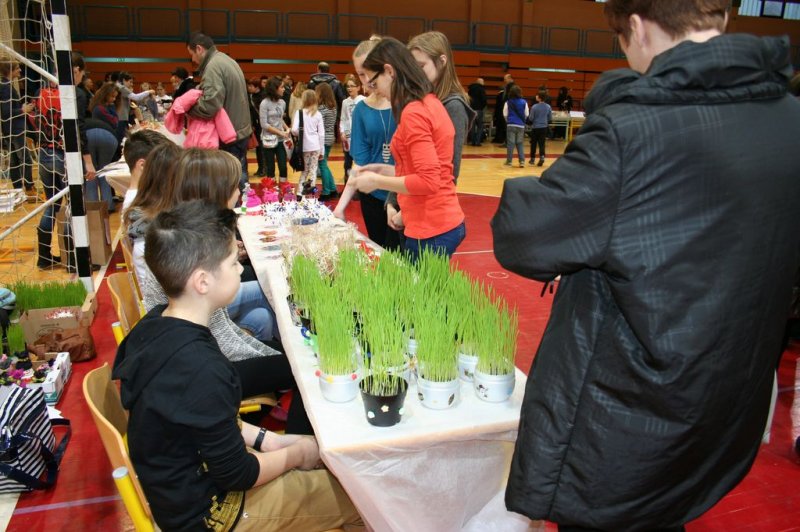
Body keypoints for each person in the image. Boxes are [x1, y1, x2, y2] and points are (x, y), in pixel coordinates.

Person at [491, 1, 800, 530]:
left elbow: (524, 236)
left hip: (628, 411)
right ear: (722, 17)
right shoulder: (789, 117)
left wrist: (612, 109)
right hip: (725, 394)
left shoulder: (633, 130)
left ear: (635, 27)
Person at [113, 199, 363, 531]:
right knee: (363, 498)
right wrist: (296, 455)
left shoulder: (157, 325)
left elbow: (203, 421)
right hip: (210, 513)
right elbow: (238, 474)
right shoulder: (201, 368)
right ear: (203, 282)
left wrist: (270, 441)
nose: (241, 269)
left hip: (178, 490)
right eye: (233, 263)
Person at [347, 37, 465, 261]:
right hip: (432, 222)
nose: (372, 89)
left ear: (389, 72)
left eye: (374, 82)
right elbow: (424, 169)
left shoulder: (414, 112)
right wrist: (381, 170)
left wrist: (377, 181)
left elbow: (428, 181)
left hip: (431, 227)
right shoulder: (427, 102)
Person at [333, 37, 402, 252]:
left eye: (368, 72)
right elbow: (359, 163)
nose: (366, 81)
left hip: (402, 194)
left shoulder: (405, 105)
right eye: (360, 74)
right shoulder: (361, 110)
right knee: (381, 254)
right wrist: (341, 207)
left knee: (403, 258)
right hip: (372, 196)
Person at [35, 54, 96, 271]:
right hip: (65, 156)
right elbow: (79, 129)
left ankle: (43, 256)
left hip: (44, 154)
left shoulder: (43, 92)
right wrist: (88, 161)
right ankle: (74, 261)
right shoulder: (75, 93)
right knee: (73, 206)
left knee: (52, 204)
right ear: (76, 70)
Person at [186, 32, 252, 188]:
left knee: (229, 183)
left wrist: (188, 108)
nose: (193, 60)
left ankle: (235, 204)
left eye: (192, 55)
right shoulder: (227, 60)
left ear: (199, 49)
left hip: (229, 135)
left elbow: (210, 106)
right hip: (240, 130)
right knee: (240, 177)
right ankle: (242, 202)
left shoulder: (213, 67)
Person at [407, 31, 474, 183]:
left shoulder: (454, 107)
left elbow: (449, 171)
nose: (415, 73)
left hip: (430, 194)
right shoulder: (420, 100)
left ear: (442, 61)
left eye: (421, 66)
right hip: (409, 190)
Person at [0, 59, 34, 192]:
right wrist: (22, 110)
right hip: (14, 129)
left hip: (9, 129)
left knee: (14, 161)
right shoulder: (5, 87)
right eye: (17, 68)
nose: (20, 70)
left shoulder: (5, 84)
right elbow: (6, 112)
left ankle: (18, 190)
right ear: (10, 70)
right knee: (25, 159)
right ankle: (29, 188)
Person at [291, 89, 325, 196]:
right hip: (316, 146)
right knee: (313, 170)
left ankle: (300, 193)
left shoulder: (299, 113)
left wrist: (301, 133)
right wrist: (322, 150)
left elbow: (294, 130)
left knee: (304, 170)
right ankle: (312, 194)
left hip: (304, 146)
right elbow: (321, 134)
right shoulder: (318, 114)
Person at [259, 76, 291, 182]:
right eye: (281, 87)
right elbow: (264, 124)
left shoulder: (282, 102)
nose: (284, 89)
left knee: (283, 166)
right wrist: (280, 133)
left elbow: (280, 119)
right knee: (270, 167)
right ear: (274, 88)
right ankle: (271, 189)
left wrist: (287, 128)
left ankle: (284, 187)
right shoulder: (264, 103)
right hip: (268, 140)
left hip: (281, 140)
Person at [338, 74, 365, 184]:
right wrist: (342, 132)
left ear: (358, 87)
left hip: (361, 138)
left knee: (360, 164)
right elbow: (343, 119)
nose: (349, 88)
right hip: (348, 138)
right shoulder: (345, 102)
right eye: (347, 86)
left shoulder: (364, 100)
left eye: (352, 86)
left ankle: (360, 188)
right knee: (347, 164)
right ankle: (347, 186)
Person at [315, 82, 339, 200]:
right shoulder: (333, 107)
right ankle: (333, 189)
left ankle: (326, 192)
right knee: (324, 164)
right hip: (330, 137)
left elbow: (318, 125)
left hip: (322, 139)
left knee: (322, 165)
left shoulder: (321, 109)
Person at [503, 84, 528, 168]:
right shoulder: (524, 102)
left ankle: (509, 161)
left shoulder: (508, 102)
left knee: (510, 143)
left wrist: (508, 121)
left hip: (511, 124)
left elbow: (505, 114)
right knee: (520, 143)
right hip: (521, 125)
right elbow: (526, 114)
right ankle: (522, 161)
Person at [248, 78, 267, 177]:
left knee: (262, 148)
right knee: (258, 148)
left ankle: (264, 169)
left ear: (257, 87)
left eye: (251, 86)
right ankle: (260, 168)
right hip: (256, 125)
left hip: (263, 125)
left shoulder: (264, 96)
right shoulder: (250, 96)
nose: (249, 88)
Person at [527, 92, 551, 167]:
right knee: (542, 144)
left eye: (537, 95)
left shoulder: (534, 107)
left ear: (539, 98)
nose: (536, 96)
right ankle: (542, 157)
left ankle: (532, 159)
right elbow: (549, 118)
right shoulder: (548, 107)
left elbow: (531, 118)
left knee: (533, 143)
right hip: (544, 127)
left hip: (535, 127)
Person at [492, 73, 513, 144]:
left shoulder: (511, 87)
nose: (504, 80)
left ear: (509, 78)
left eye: (505, 79)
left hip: (508, 110)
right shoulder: (507, 87)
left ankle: (507, 141)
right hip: (504, 109)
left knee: (506, 126)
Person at [467, 77, 487, 146]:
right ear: (480, 82)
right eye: (483, 82)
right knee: (480, 126)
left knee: (472, 126)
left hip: (471, 109)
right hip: (479, 110)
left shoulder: (470, 89)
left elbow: (468, 99)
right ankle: (477, 142)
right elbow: (484, 100)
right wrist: (481, 107)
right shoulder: (481, 89)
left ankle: (473, 141)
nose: (484, 83)